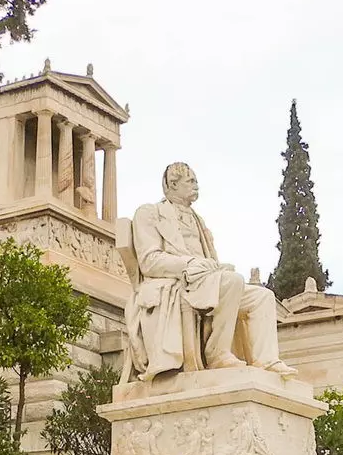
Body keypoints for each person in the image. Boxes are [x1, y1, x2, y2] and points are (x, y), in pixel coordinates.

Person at [123, 162, 292, 379]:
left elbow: (208, 262)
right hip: (179, 282)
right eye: (191, 181)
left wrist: (216, 267)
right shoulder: (150, 213)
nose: (196, 185)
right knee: (232, 281)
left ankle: (267, 361)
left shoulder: (197, 220)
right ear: (173, 184)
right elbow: (149, 261)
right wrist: (189, 264)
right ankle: (217, 354)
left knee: (263, 297)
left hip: (206, 281)